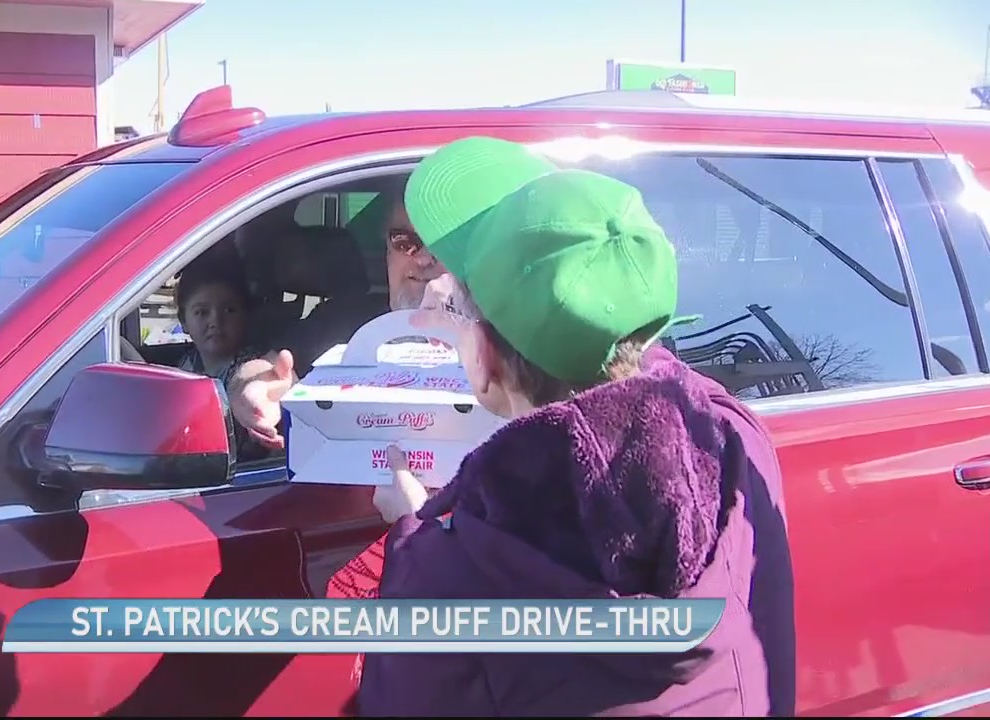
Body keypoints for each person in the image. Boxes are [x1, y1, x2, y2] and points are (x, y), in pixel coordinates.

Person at [354, 137, 797, 717]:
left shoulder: (448, 575)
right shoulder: (736, 439)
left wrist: (414, 531)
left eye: (459, 314)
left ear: (484, 359)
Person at [226, 184, 447, 449]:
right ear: (387, 251)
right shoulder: (344, 322)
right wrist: (251, 388)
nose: (423, 259)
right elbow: (269, 367)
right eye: (405, 242)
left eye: (441, 243)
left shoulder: (496, 335)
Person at [172, 261, 261, 383]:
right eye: (202, 312)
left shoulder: (251, 369)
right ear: (183, 321)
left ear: (245, 316)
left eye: (229, 310)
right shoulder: (188, 363)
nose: (215, 321)